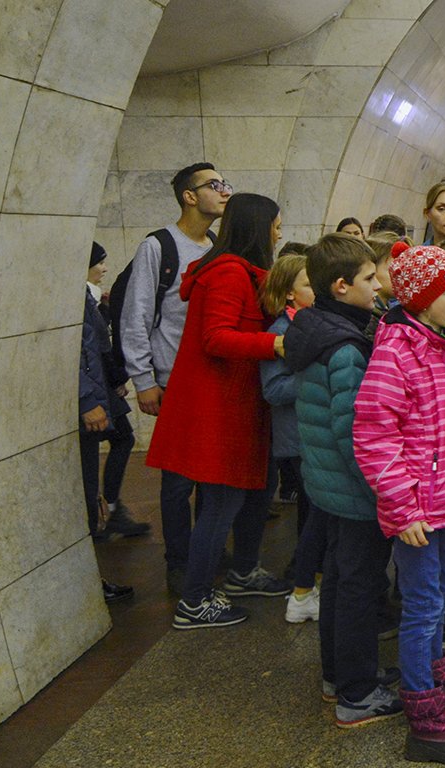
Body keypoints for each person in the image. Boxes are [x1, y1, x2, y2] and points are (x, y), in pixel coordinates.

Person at [355, 245, 445, 764]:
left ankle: (441, 688)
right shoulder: (397, 352)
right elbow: (374, 435)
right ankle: (425, 719)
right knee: (421, 606)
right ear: (420, 299)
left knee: (441, 590)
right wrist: (403, 507)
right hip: (419, 507)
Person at [283, 233, 423, 727]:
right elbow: (352, 432)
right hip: (354, 488)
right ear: (341, 286)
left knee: (342, 582)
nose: (377, 284)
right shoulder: (344, 348)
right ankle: (357, 694)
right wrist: (384, 493)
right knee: (360, 588)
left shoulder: (315, 327)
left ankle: (338, 677)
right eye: (368, 278)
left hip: (327, 485)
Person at [147, 193, 294, 629]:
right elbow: (217, 337)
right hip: (218, 408)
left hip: (241, 404)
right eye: (275, 224)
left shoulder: (245, 272)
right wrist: (278, 344)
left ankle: (244, 570)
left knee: (258, 487)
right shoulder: (228, 274)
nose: (279, 232)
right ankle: (194, 599)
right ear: (256, 227)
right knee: (221, 504)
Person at [119, 162, 229, 594]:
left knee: (209, 471)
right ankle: (179, 559)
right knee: (178, 477)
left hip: (210, 378)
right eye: (214, 185)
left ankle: (204, 549)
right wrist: (143, 379)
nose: (224, 192)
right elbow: (137, 314)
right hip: (171, 380)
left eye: (225, 184)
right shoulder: (159, 246)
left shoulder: (217, 244)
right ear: (189, 195)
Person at [258, 253, 322, 623]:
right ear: (288, 295)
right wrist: (317, 374)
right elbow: (274, 389)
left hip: (313, 433)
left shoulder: (312, 326)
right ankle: (302, 587)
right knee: (312, 515)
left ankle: (311, 580)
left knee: (317, 513)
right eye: (309, 284)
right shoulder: (279, 333)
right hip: (296, 438)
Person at [82, 242, 148, 540]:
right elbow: (88, 350)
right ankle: (103, 514)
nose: (104, 268)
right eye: (99, 262)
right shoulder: (81, 301)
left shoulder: (90, 300)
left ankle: (108, 508)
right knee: (111, 444)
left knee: (121, 438)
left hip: (101, 388)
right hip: (96, 392)